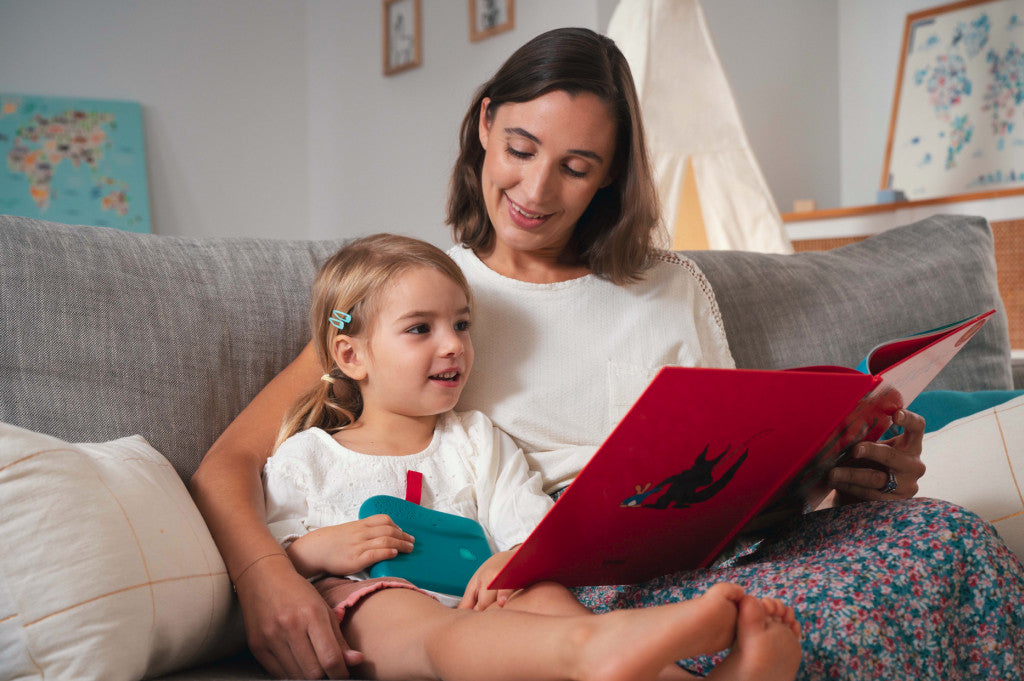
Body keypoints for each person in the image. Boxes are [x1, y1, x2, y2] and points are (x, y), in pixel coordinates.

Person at [191, 27, 1024, 680]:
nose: (537, 190)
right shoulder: (423, 302)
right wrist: (271, 573)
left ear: (610, 177)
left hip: (717, 553)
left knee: (942, 536)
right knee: (795, 616)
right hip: (558, 589)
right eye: (520, 148)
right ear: (484, 124)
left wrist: (840, 471)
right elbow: (230, 463)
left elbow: (735, 470)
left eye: (576, 166)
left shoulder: (671, 286)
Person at [257, 232, 803, 681]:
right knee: (420, 621)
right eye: (421, 329)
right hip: (373, 608)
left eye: (462, 324)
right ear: (350, 355)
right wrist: (311, 550)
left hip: (476, 600)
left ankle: (660, 666)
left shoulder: (473, 436)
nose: (453, 345)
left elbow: (523, 514)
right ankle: (595, 651)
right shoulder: (308, 454)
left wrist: (514, 557)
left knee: (545, 596)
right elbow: (270, 561)